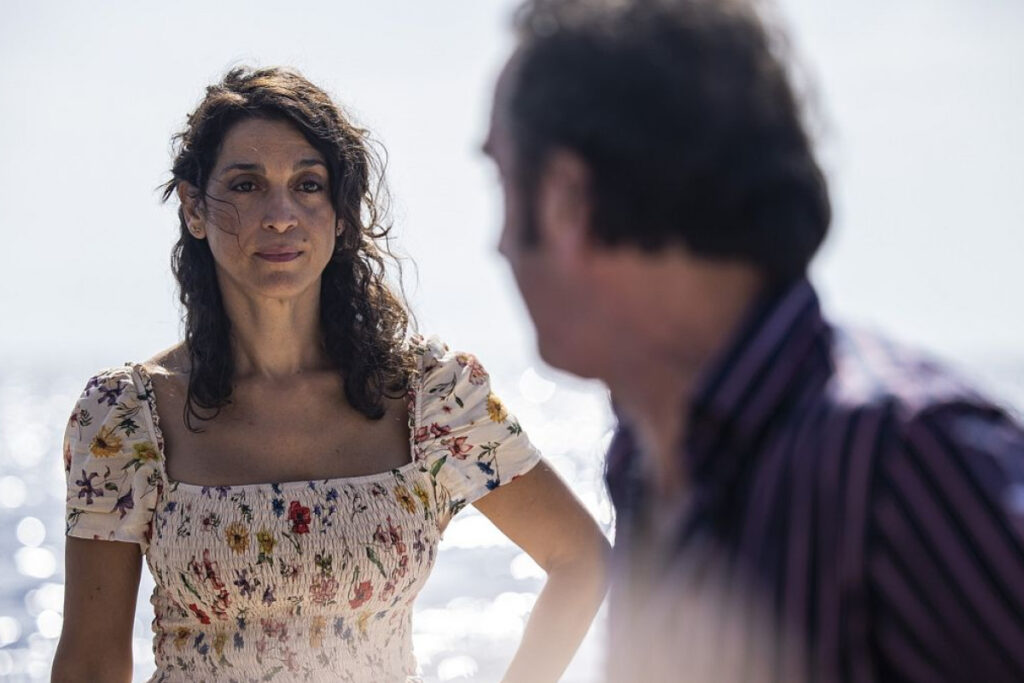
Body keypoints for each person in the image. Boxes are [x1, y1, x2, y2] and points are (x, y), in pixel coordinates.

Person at [484, 0, 1024, 681]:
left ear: (569, 202)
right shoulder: (645, 464)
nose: (499, 244)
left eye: (504, 182)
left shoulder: (901, 465)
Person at [51, 66, 609, 683]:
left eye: (309, 185)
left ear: (341, 214)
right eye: (245, 185)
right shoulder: (127, 415)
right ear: (194, 207)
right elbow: (90, 663)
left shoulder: (430, 395)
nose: (280, 215)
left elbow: (580, 559)